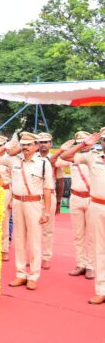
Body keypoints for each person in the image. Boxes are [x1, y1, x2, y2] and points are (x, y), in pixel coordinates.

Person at [0, 132, 53, 290]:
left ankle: (33, 275)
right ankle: (20, 274)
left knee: (34, 241)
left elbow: (47, 189)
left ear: (36, 146)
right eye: (23, 144)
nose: (25, 147)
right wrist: (7, 147)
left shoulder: (43, 163)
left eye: (28, 144)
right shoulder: (14, 161)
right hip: (17, 202)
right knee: (19, 239)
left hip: (34, 204)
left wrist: (46, 212)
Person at [59, 128, 105, 304]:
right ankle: (101, 289)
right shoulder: (92, 156)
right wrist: (84, 144)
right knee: (99, 248)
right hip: (97, 205)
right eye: (104, 140)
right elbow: (65, 157)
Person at [53, 132, 94, 279]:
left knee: (92, 235)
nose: (83, 144)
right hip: (75, 197)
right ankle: (80, 264)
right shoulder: (73, 158)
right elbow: (53, 161)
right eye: (79, 142)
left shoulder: (97, 157)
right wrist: (63, 149)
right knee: (78, 235)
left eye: (85, 141)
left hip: (92, 199)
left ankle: (91, 266)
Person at [37, 132, 64, 269]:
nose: (43, 144)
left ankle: (46, 257)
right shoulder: (32, 158)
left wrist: (59, 201)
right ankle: (35, 256)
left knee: (48, 229)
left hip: (50, 196)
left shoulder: (56, 160)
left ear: (51, 144)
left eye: (46, 142)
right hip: (34, 197)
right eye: (40, 142)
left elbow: (60, 181)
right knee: (33, 229)